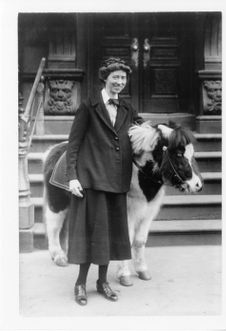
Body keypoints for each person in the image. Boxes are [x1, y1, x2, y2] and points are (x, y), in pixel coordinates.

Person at [66, 57, 143, 306]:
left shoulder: (128, 109)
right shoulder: (89, 105)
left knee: (109, 236)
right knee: (91, 234)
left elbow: (142, 132)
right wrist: (72, 177)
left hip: (117, 182)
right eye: (115, 78)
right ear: (105, 78)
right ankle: (80, 283)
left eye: (123, 78)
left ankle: (102, 282)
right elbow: (74, 143)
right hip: (91, 181)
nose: (119, 82)